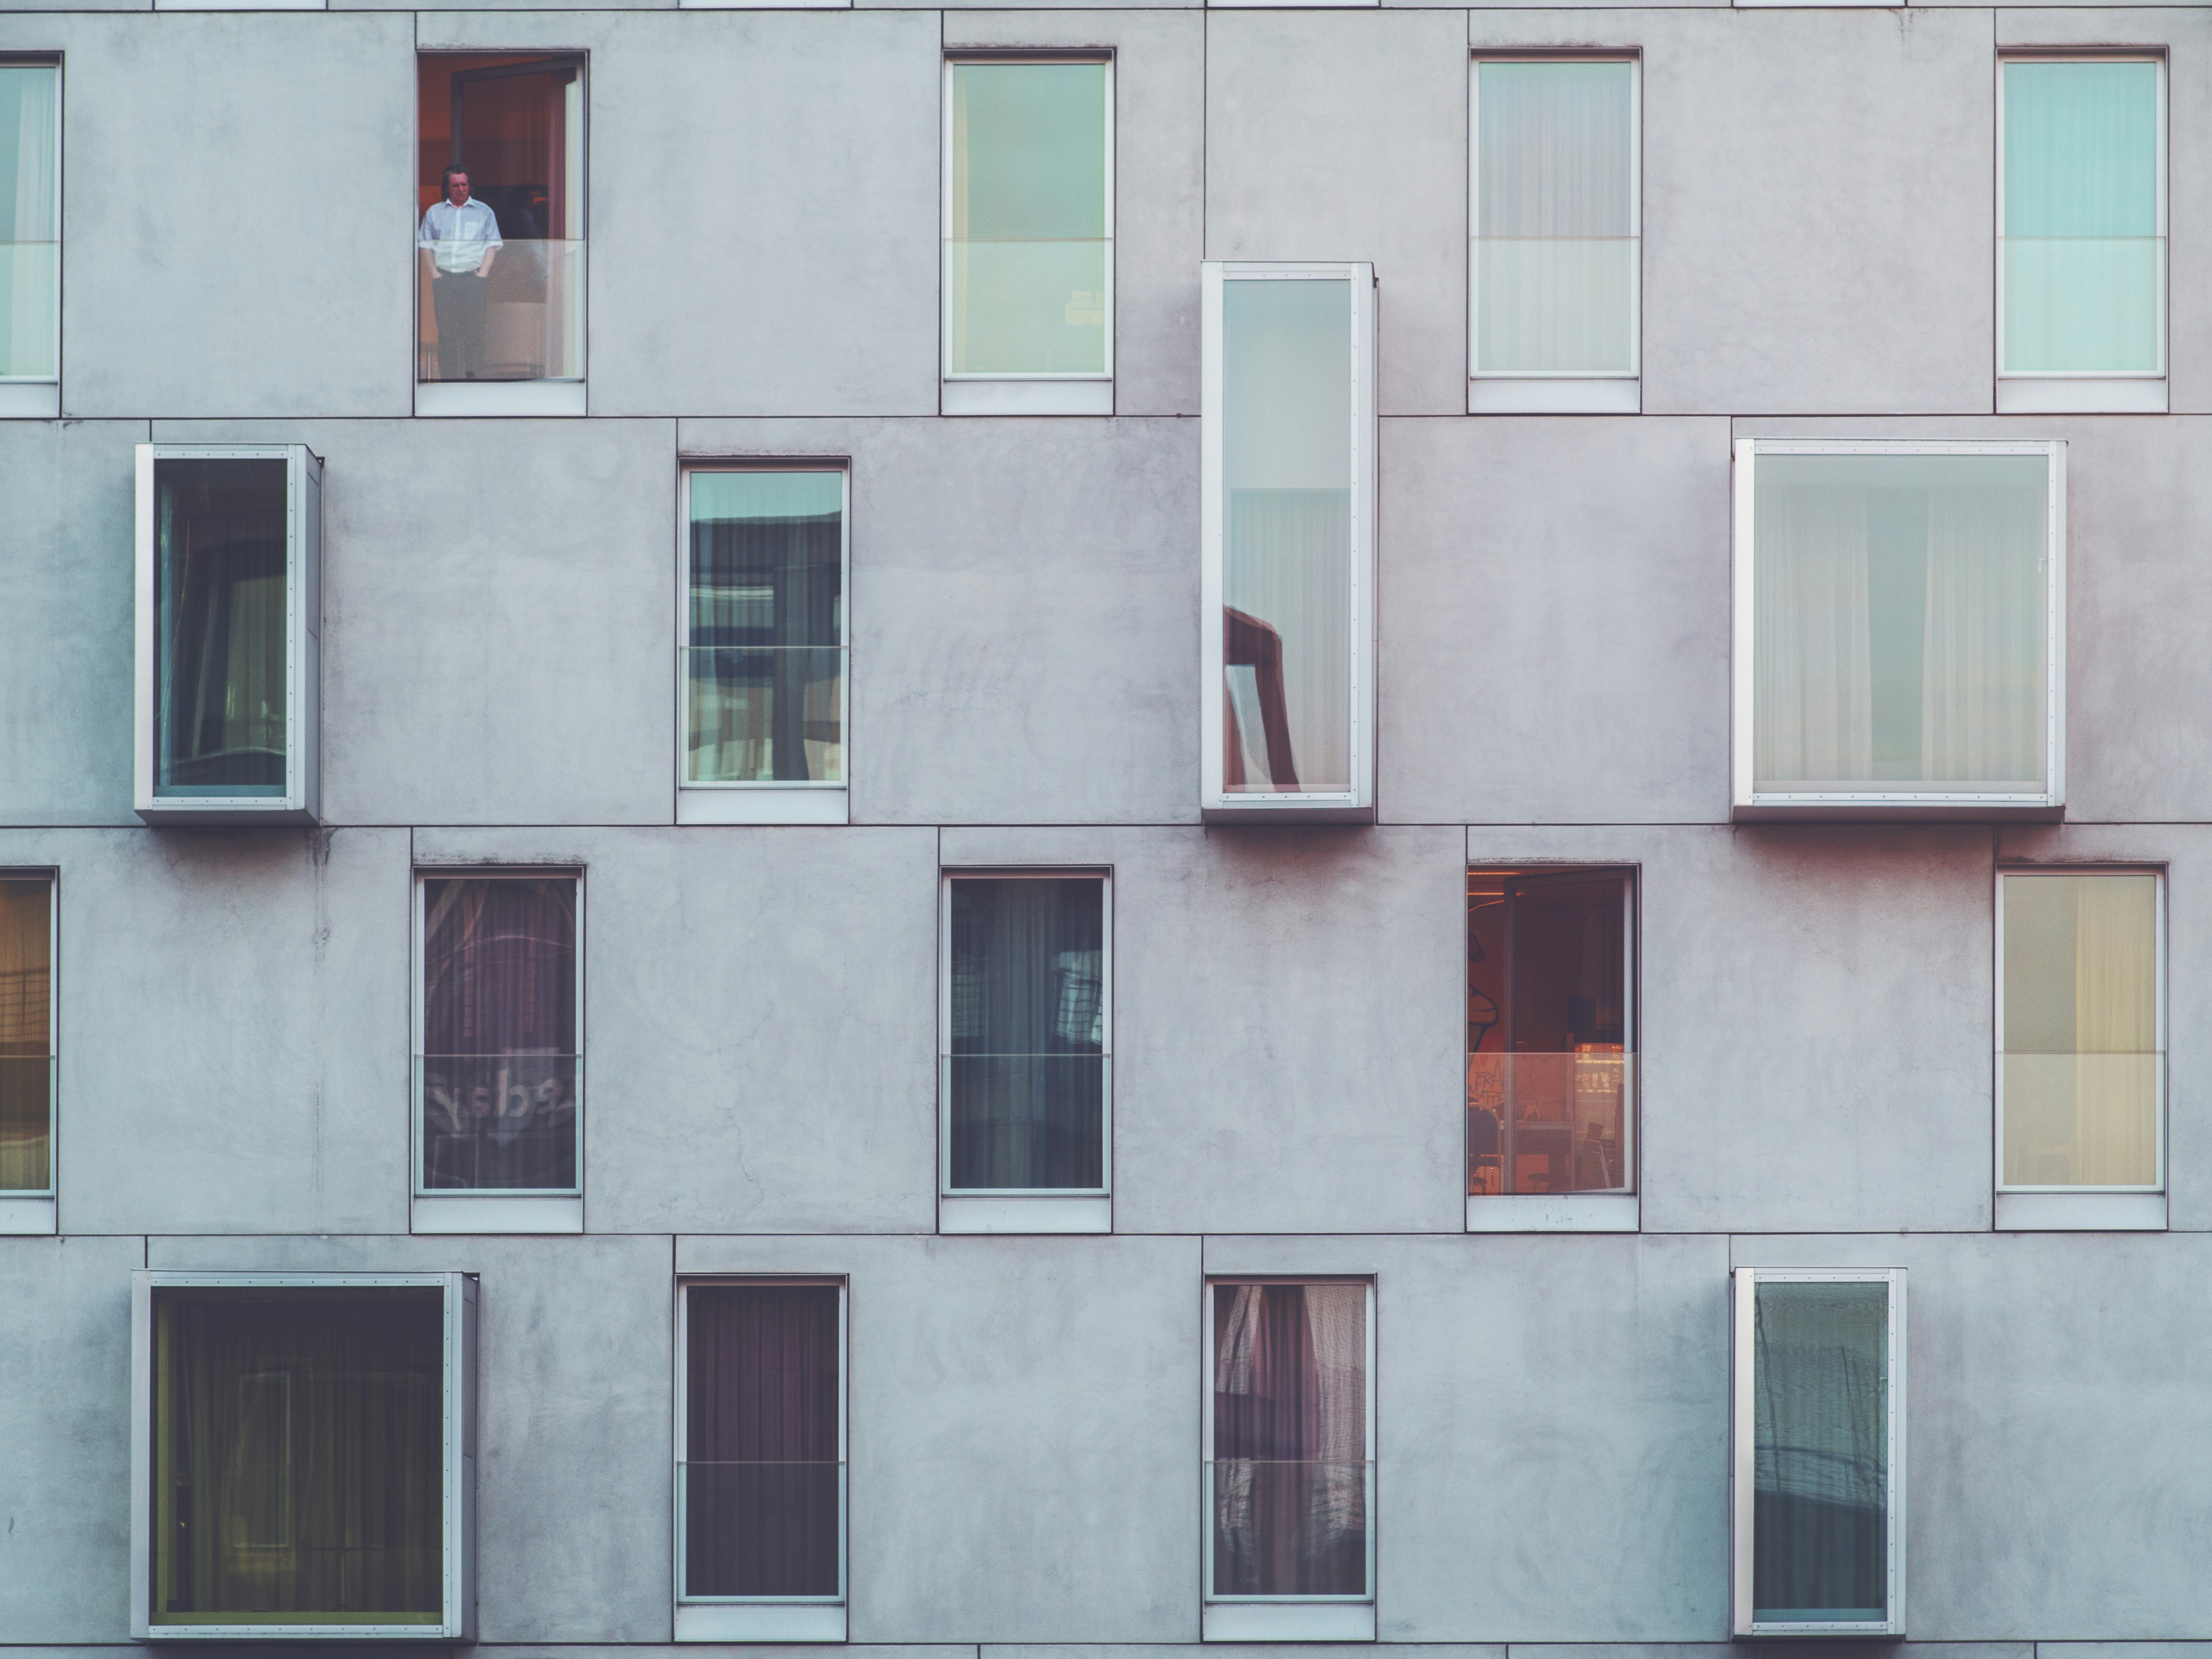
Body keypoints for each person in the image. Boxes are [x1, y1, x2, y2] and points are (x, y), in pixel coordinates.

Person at [417, 166, 503, 380]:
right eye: (455, 185)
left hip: (474, 280)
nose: (460, 189)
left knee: (475, 333)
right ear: (447, 187)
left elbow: (492, 245)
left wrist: (482, 275)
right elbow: (425, 245)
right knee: (447, 335)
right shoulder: (435, 213)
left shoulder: (484, 211)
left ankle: (473, 380)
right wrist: (435, 275)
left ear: (470, 186)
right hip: (445, 279)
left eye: (464, 184)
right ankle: (449, 380)